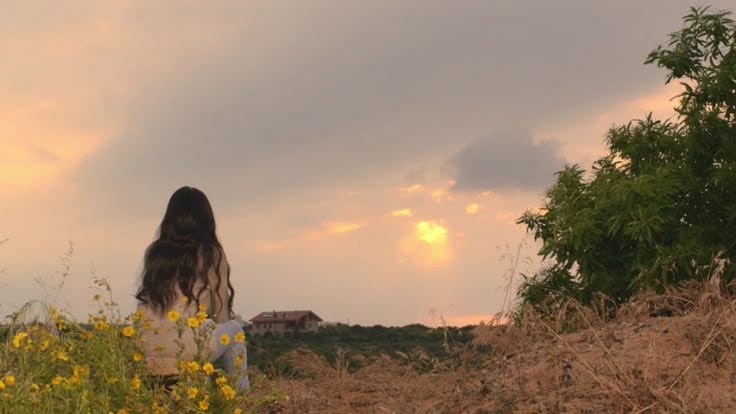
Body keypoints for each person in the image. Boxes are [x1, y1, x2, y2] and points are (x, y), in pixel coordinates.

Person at [134, 186, 249, 390]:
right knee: (235, 329)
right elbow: (220, 317)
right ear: (207, 221)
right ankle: (241, 401)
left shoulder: (154, 253)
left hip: (147, 354)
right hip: (187, 354)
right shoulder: (212, 255)